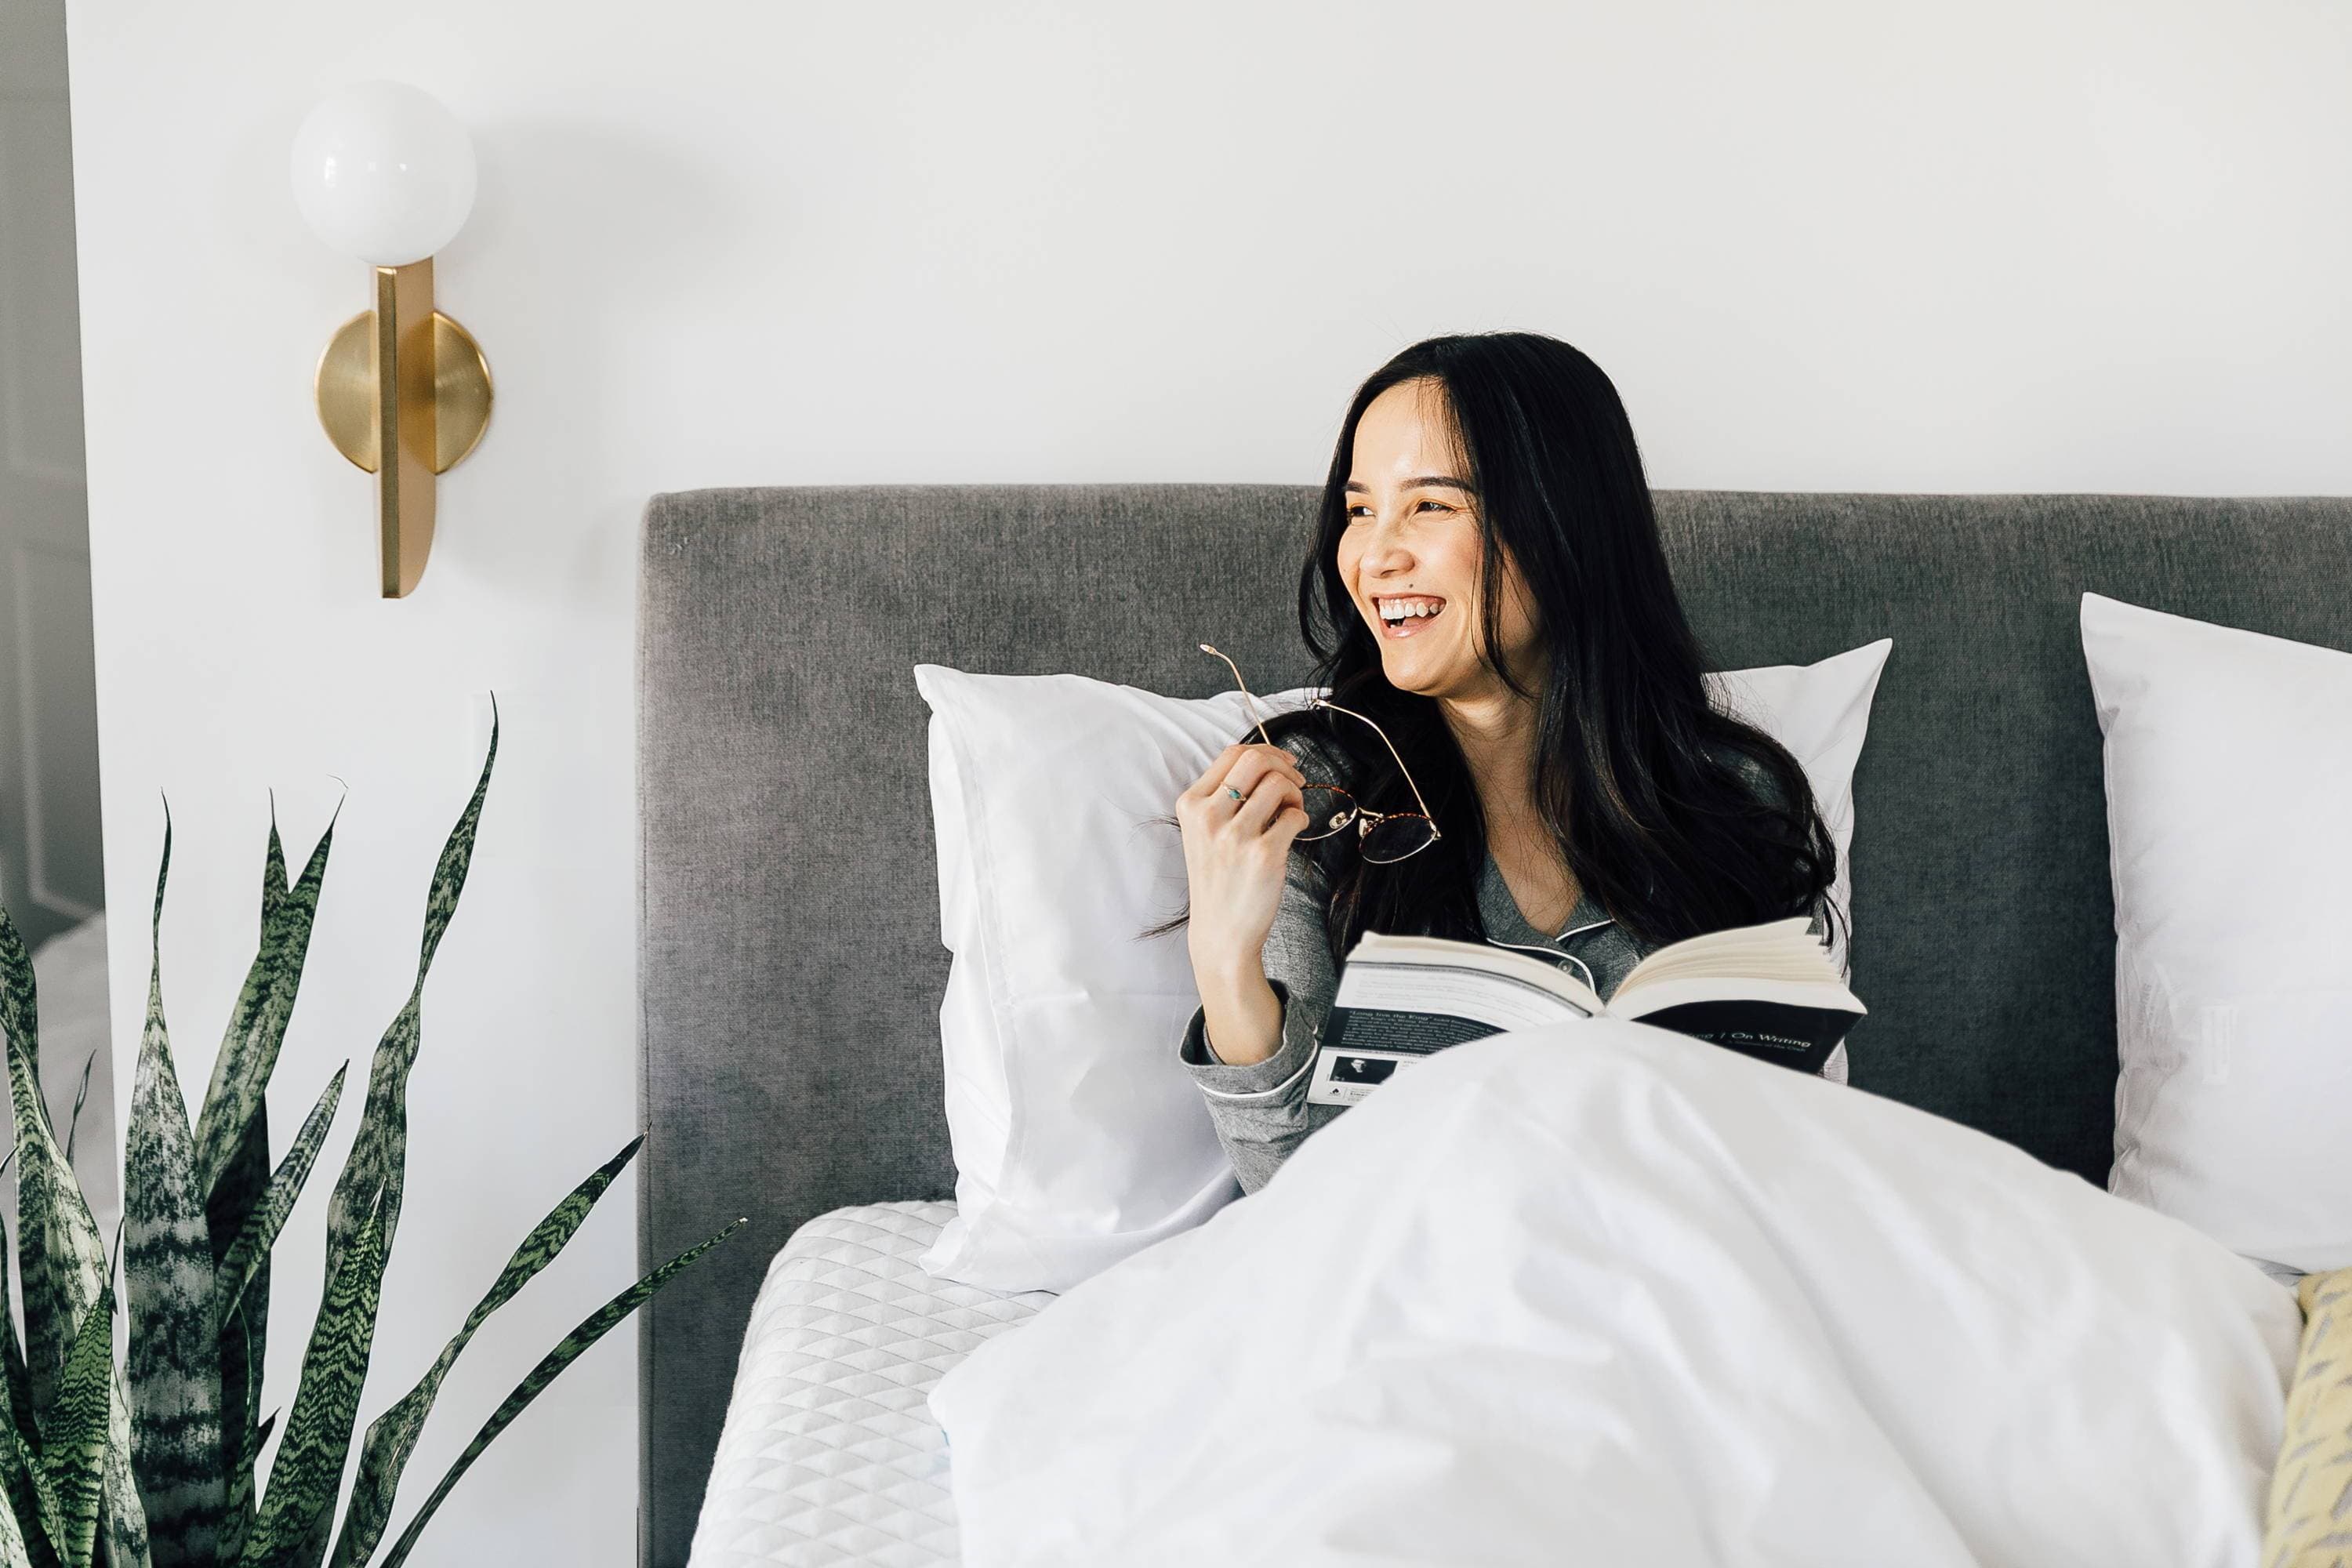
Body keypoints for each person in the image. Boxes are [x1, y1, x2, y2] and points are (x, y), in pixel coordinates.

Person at [1171, 332, 1849, 1194]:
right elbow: (1295, 1198)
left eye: (1431, 506)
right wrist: (1226, 961)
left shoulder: (1734, 805)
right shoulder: (1319, 794)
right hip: (1419, 1288)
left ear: (1563, 524)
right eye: (1358, 509)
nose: (1374, 556)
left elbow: (1805, 1159)